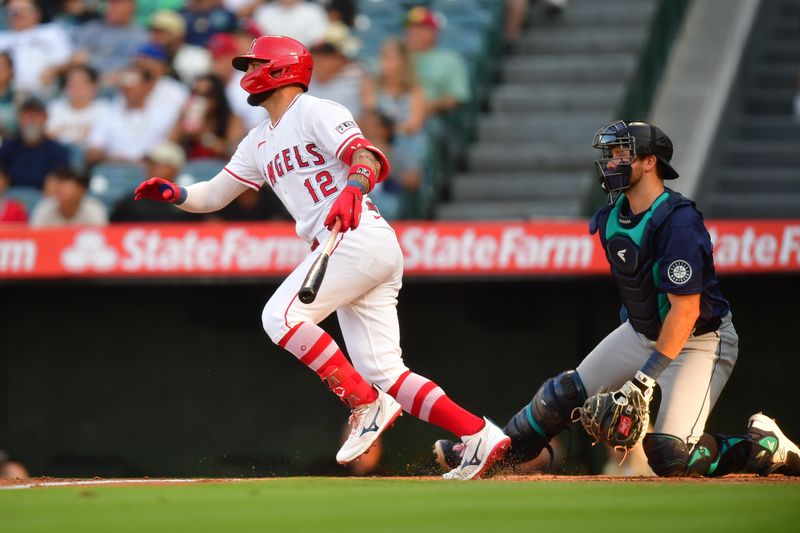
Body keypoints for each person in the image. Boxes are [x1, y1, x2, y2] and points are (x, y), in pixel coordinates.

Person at [133, 35, 510, 480]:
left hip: (355, 236)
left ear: (280, 68)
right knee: (386, 370)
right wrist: (175, 193)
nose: (246, 72)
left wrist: (354, 187)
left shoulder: (317, 111)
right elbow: (213, 195)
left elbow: (366, 156)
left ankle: (364, 402)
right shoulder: (257, 141)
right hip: (347, 247)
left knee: (280, 317)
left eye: (254, 63)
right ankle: (478, 435)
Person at [434, 120, 800, 479]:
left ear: (649, 162)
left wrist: (644, 380)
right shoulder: (612, 217)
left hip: (699, 341)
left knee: (671, 457)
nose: (611, 163)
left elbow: (686, 310)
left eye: (622, 154)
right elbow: (640, 289)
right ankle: (497, 454)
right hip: (643, 333)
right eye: (610, 155)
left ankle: (761, 447)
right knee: (561, 396)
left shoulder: (679, 222)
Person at [84, 66, 176, 166]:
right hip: (115, 168)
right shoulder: (107, 113)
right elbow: (92, 153)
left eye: (133, 82)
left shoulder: (166, 113)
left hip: (150, 171)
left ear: (148, 86)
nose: (127, 88)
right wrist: (116, 160)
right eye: (125, 83)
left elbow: (170, 151)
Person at [111, 141, 205, 223]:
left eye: (157, 164)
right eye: (150, 164)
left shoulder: (188, 201)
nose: (150, 168)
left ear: (173, 168)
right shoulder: (132, 200)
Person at [0, 0, 72, 97]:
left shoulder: (52, 32)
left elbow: (72, 59)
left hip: (47, 93)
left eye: (22, 10)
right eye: (13, 12)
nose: (17, 15)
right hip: (9, 94)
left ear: (37, 13)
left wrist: (54, 70)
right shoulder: (2, 38)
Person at [70, 0, 148, 90]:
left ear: (131, 7)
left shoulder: (141, 37)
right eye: (111, 3)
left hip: (120, 91)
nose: (112, 7)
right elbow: (77, 58)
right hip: (86, 87)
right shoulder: (91, 28)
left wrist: (119, 75)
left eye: (117, 4)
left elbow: (139, 69)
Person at [170, 73, 244, 161]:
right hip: (190, 168)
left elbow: (232, 151)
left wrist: (204, 137)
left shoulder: (232, 119)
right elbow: (171, 144)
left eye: (207, 94)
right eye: (196, 93)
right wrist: (182, 119)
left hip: (219, 168)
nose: (201, 99)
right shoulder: (187, 117)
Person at [0, 97, 70, 190]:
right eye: (27, 115)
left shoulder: (57, 151)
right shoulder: (8, 146)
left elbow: (56, 185)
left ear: (45, 118)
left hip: (43, 200)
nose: (31, 120)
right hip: (10, 199)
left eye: (36, 115)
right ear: (19, 119)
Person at [29, 165, 107, 226]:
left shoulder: (94, 210)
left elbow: (100, 239)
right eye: (59, 182)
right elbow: (34, 239)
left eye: (65, 183)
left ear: (82, 190)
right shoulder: (45, 207)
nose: (59, 188)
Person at [252, 0, 329, 47]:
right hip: (269, 59)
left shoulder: (314, 11)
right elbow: (258, 39)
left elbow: (318, 40)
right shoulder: (263, 11)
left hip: (304, 59)